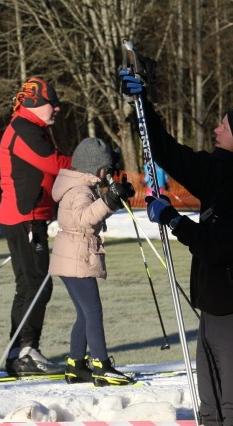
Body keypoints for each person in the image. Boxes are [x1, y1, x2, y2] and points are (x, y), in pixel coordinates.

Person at [120, 70, 233, 426]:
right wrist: (142, 105)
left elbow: (217, 247)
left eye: (224, 125)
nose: (215, 127)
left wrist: (173, 218)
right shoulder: (219, 169)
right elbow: (167, 151)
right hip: (211, 307)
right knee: (209, 413)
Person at [0, 77, 72, 376]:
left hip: (25, 216)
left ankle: (20, 352)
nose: (56, 107)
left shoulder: (30, 127)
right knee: (39, 284)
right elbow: (53, 163)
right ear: (33, 103)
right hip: (24, 217)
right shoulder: (24, 128)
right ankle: (26, 352)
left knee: (29, 285)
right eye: (51, 102)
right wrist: (89, 164)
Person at [48, 137, 136, 386]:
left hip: (72, 256)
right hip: (77, 257)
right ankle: (101, 365)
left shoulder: (79, 187)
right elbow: (86, 218)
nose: (106, 174)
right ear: (96, 168)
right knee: (93, 312)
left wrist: (115, 200)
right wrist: (108, 200)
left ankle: (76, 364)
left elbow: (92, 216)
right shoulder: (79, 191)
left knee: (84, 314)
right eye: (105, 169)